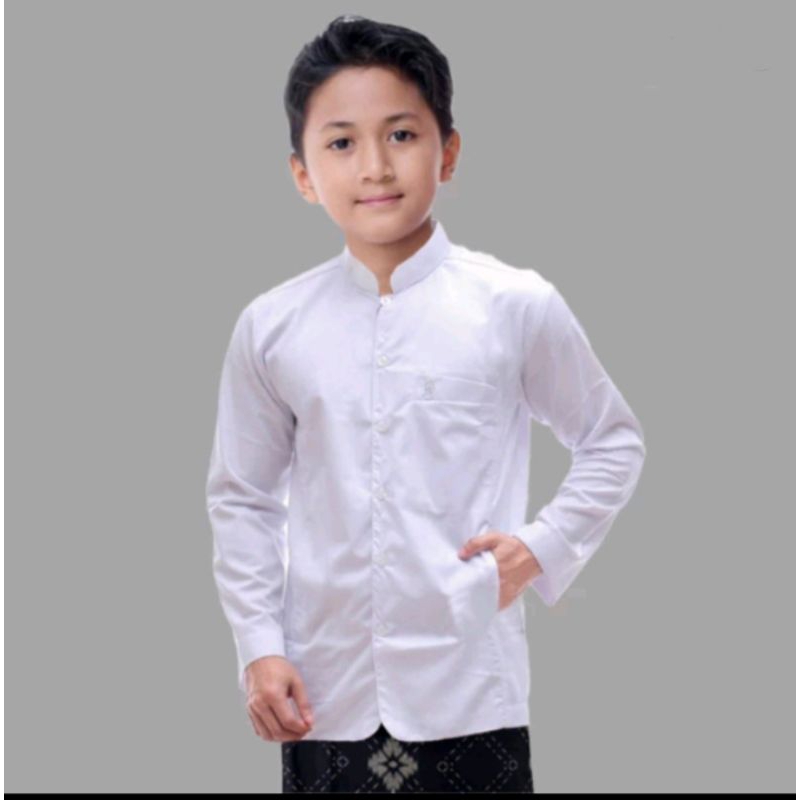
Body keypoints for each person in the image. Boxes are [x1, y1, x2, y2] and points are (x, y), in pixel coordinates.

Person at [205, 13, 646, 794]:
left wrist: (541, 547)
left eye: (402, 134)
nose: (375, 166)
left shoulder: (514, 305)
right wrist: (259, 647)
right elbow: (243, 498)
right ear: (303, 174)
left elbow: (612, 440)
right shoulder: (272, 327)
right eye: (341, 143)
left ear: (448, 152)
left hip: (470, 689)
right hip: (324, 694)